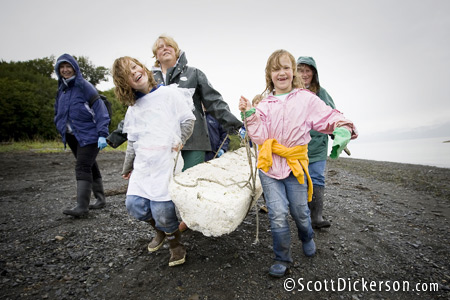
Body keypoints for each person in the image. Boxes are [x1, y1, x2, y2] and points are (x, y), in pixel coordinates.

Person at [238, 49, 357, 278]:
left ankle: (307, 236)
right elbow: (260, 137)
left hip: (295, 165)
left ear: (293, 72)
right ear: (269, 75)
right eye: (275, 69)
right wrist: (250, 115)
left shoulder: (306, 99)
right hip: (269, 166)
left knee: (300, 211)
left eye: (285, 68)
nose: (281, 73)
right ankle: (282, 257)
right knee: (278, 213)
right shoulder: (265, 104)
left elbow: (328, 115)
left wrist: (343, 127)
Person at [112, 56, 195, 267]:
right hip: (143, 164)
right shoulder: (134, 108)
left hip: (166, 161)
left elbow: (188, 119)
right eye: (127, 75)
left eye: (134, 67)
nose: (134, 73)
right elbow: (132, 141)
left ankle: (175, 243)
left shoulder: (169, 94)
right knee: (135, 205)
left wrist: (180, 140)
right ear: (125, 84)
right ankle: (159, 231)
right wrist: (127, 166)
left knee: (162, 209)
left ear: (143, 68)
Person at [54, 54, 110, 217]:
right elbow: (58, 111)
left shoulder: (85, 86)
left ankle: (82, 207)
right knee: (90, 164)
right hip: (72, 136)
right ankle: (100, 199)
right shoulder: (62, 89)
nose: (65, 70)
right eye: (61, 67)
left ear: (75, 68)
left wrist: (102, 134)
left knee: (82, 166)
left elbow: (100, 110)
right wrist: (59, 125)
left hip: (90, 134)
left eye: (68, 66)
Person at [297, 56, 335, 229]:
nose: (304, 74)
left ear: (314, 73)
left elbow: (332, 115)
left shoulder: (322, 93)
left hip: (318, 144)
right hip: (297, 145)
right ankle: (303, 216)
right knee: (300, 180)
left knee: (317, 177)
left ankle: (316, 217)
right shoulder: (291, 92)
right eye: (300, 70)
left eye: (307, 71)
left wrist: (337, 133)